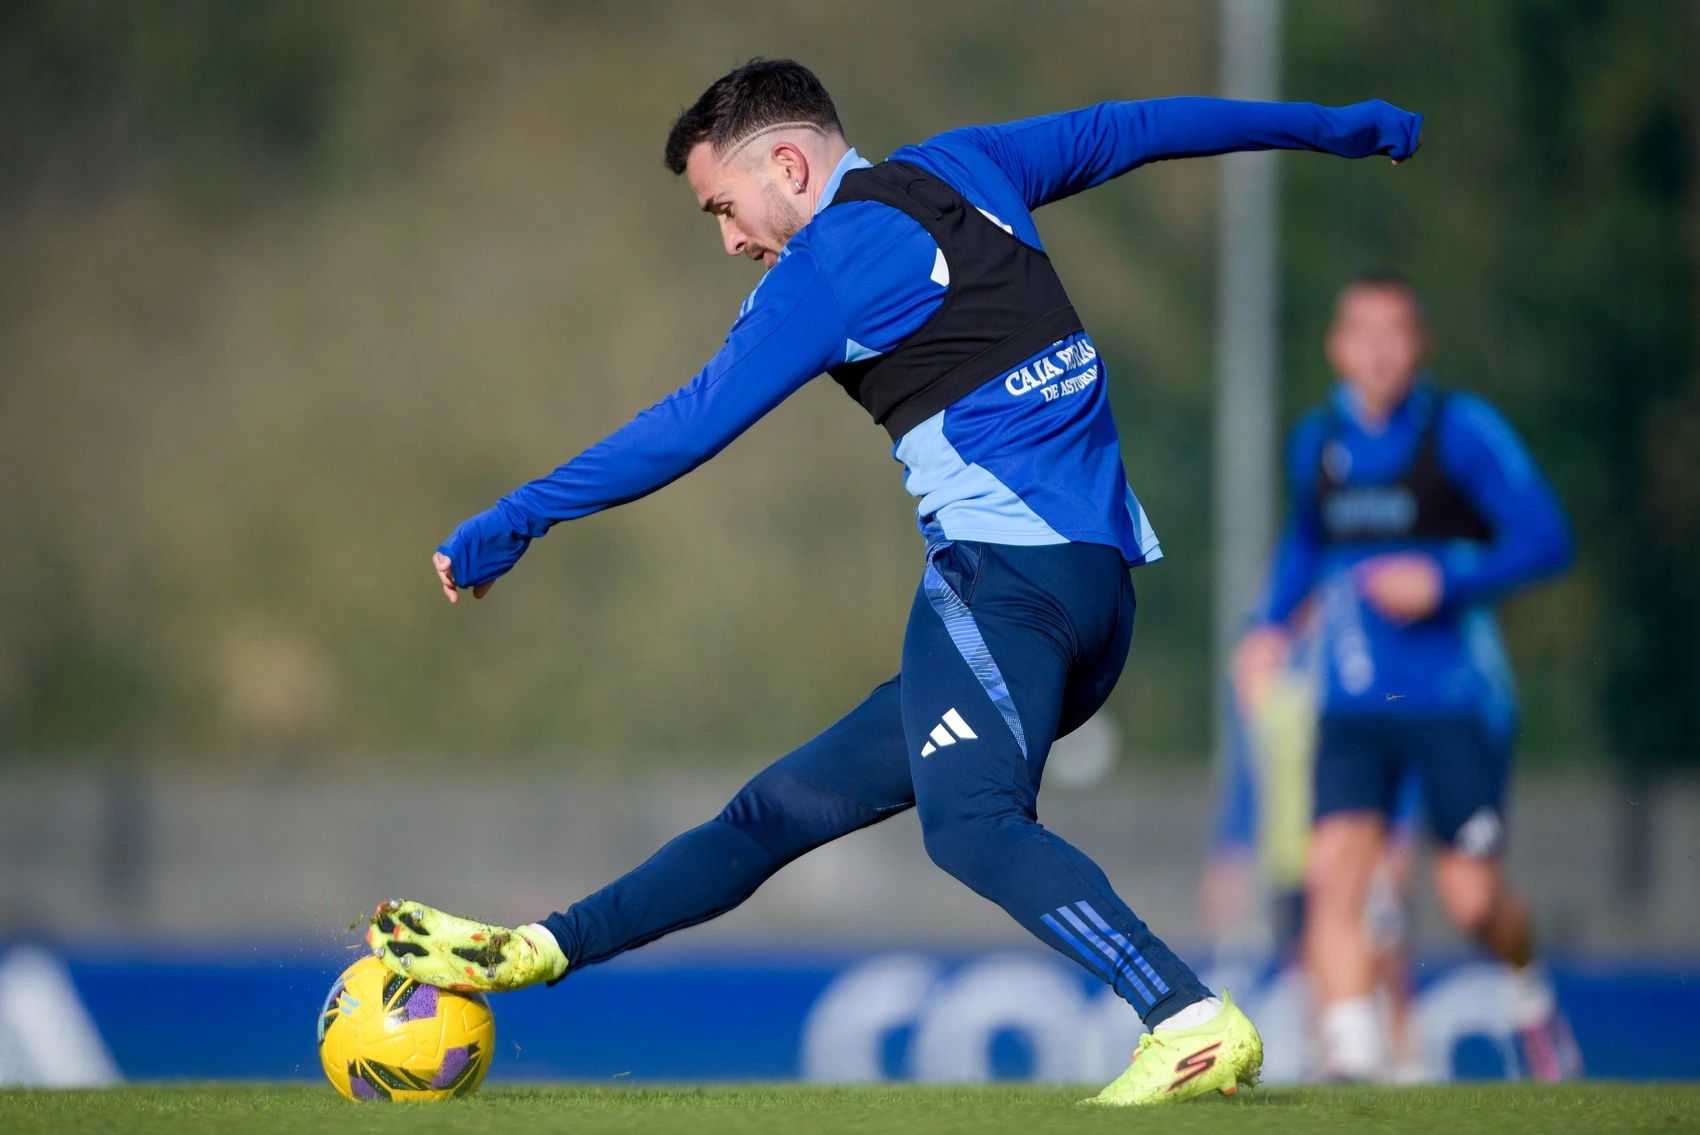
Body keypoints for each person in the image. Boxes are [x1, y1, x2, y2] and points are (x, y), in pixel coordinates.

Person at [369, 60, 1422, 1104]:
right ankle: (540, 950)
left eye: (724, 208)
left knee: (970, 823)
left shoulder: (825, 266)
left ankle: (1184, 1015)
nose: (730, 239)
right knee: (773, 813)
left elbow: (686, 427)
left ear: (786, 162)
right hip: (1094, 599)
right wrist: (1334, 125)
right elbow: (1142, 124)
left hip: (1003, 591)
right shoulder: (970, 165)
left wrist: (514, 518)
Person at [1234, 275, 1579, 1081]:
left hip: (1455, 700)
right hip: (1354, 702)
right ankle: (1351, 1067)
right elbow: (1304, 546)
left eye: (1396, 332)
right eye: (1362, 331)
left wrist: (1444, 581)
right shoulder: (1317, 443)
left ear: (1419, 345)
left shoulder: (1459, 433)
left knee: (1470, 900)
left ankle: (1531, 992)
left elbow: (1546, 537)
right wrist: (1265, 629)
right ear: (1336, 346)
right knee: (1334, 876)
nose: (1379, 349)